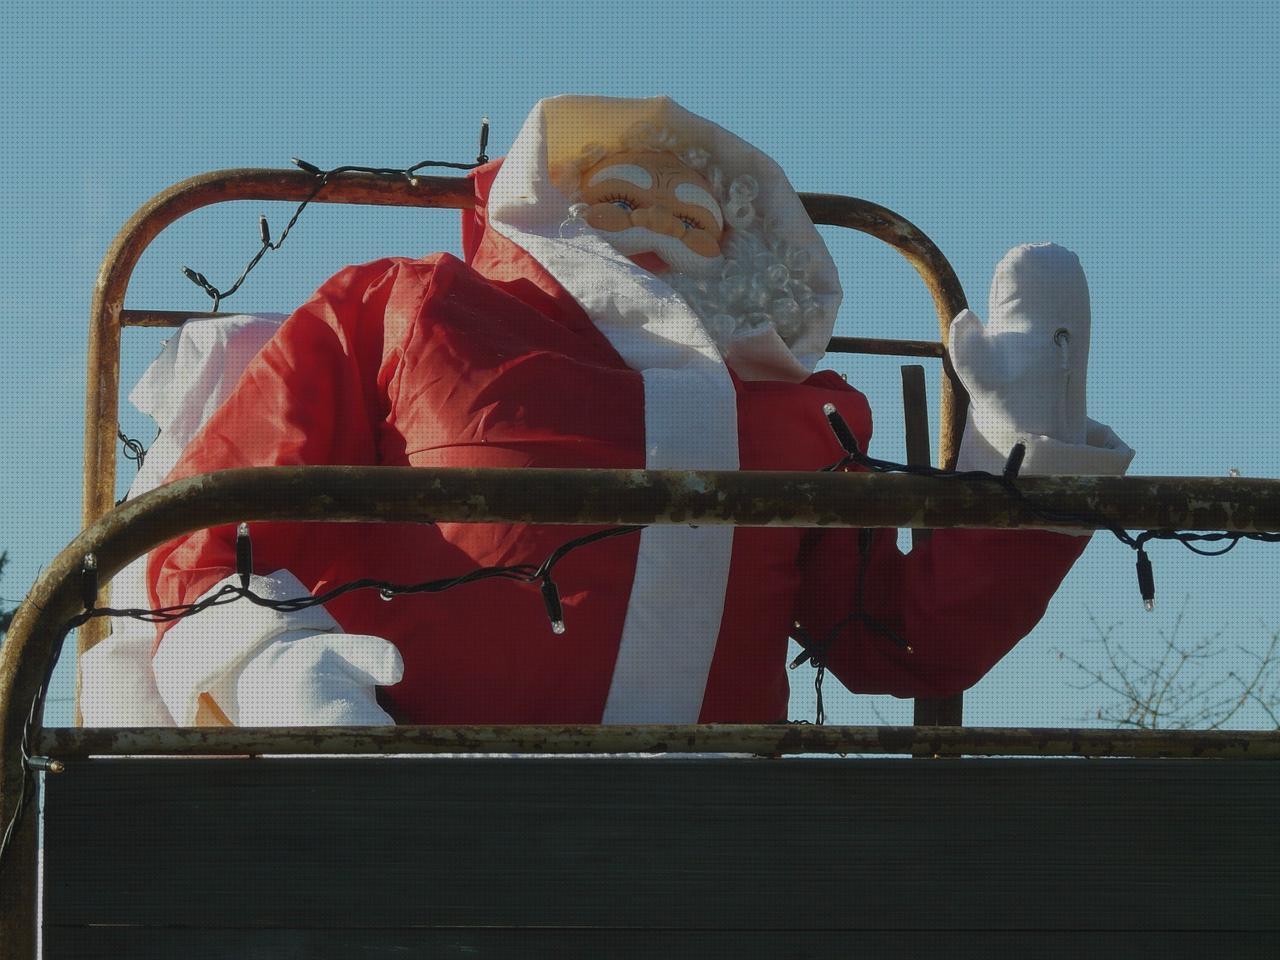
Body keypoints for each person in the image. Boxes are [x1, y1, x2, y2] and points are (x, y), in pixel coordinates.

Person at [107, 95, 1133, 728]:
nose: (653, 229)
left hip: (702, 844)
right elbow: (206, 533)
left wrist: (1017, 453)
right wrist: (279, 677)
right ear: (546, 196)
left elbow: (890, 639)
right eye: (622, 196)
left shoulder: (797, 408)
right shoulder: (408, 307)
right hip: (405, 813)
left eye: (692, 219)